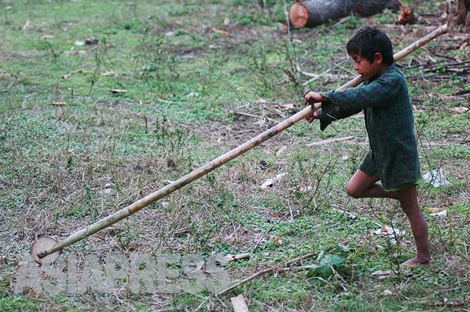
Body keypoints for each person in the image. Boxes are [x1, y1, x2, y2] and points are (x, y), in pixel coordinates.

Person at [304, 26, 430, 266]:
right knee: (354, 189)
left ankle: (423, 256)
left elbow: (361, 97)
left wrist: (325, 95)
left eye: (358, 61)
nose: (355, 67)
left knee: (411, 208)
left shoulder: (391, 81)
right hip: (379, 152)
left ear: (378, 58)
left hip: (397, 154)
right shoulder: (374, 79)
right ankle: (398, 192)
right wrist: (322, 115)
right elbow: (353, 104)